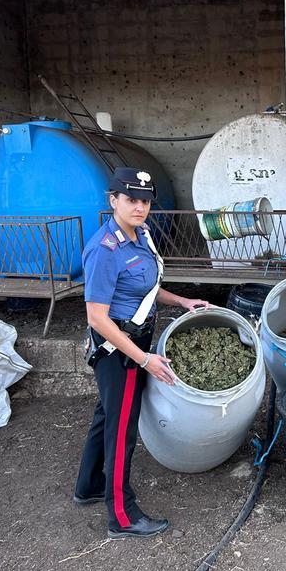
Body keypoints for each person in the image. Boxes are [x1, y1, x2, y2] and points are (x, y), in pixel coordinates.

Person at [74, 167, 212, 539]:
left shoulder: (141, 234)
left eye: (145, 201)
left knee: (106, 414)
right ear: (113, 200)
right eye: (131, 199)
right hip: (119, 349)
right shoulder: (105, 251)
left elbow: (147, 289)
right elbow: (97, 318)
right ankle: (121, 515)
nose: (139, 207)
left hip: (134, 341)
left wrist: (182, 300)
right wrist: (143, 358)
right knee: (122, 431)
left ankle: (88, 485)